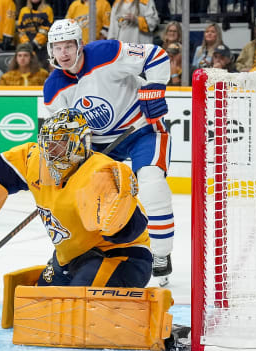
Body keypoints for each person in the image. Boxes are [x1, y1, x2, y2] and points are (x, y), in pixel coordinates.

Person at [42, 19, 174, 286]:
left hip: (141, 129)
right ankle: (90, 252)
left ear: (80, 45)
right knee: (91, 202)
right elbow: (62, 135)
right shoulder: (54, 88)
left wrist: (154, 88)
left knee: (151, 183)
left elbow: (156, 55)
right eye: (58, 47)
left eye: (69, 45)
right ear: (50, 51)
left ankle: (161, 254)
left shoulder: (106, 53)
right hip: (100, 146)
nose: (64, 53)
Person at [0, 109, 152, 287]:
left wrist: (117, 224)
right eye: (48, 144)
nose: (51, 151)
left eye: (59, 143)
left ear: (80, 143)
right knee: (41, 301)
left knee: (78, 298)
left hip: (121, 256)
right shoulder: (36, 161)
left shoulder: (101, 174)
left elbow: (135, 225)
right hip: (72, 258)